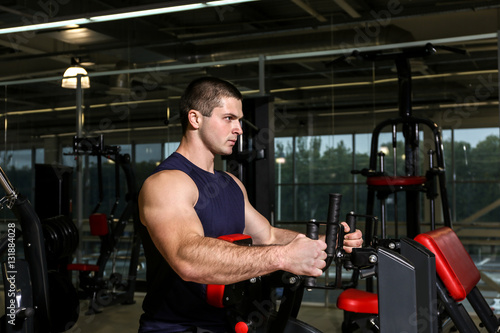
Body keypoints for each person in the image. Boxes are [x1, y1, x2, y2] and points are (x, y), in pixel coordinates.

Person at [138, 77, 363, 333]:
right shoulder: (167, 182)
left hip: (232, 323)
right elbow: (186, 258)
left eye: (239, 120)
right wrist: (283, 256)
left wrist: (324, 242)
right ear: (195, 119)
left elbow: (266, 235)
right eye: (228, 118)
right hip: (178, 328)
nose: (239, 129)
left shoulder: (230, 183)